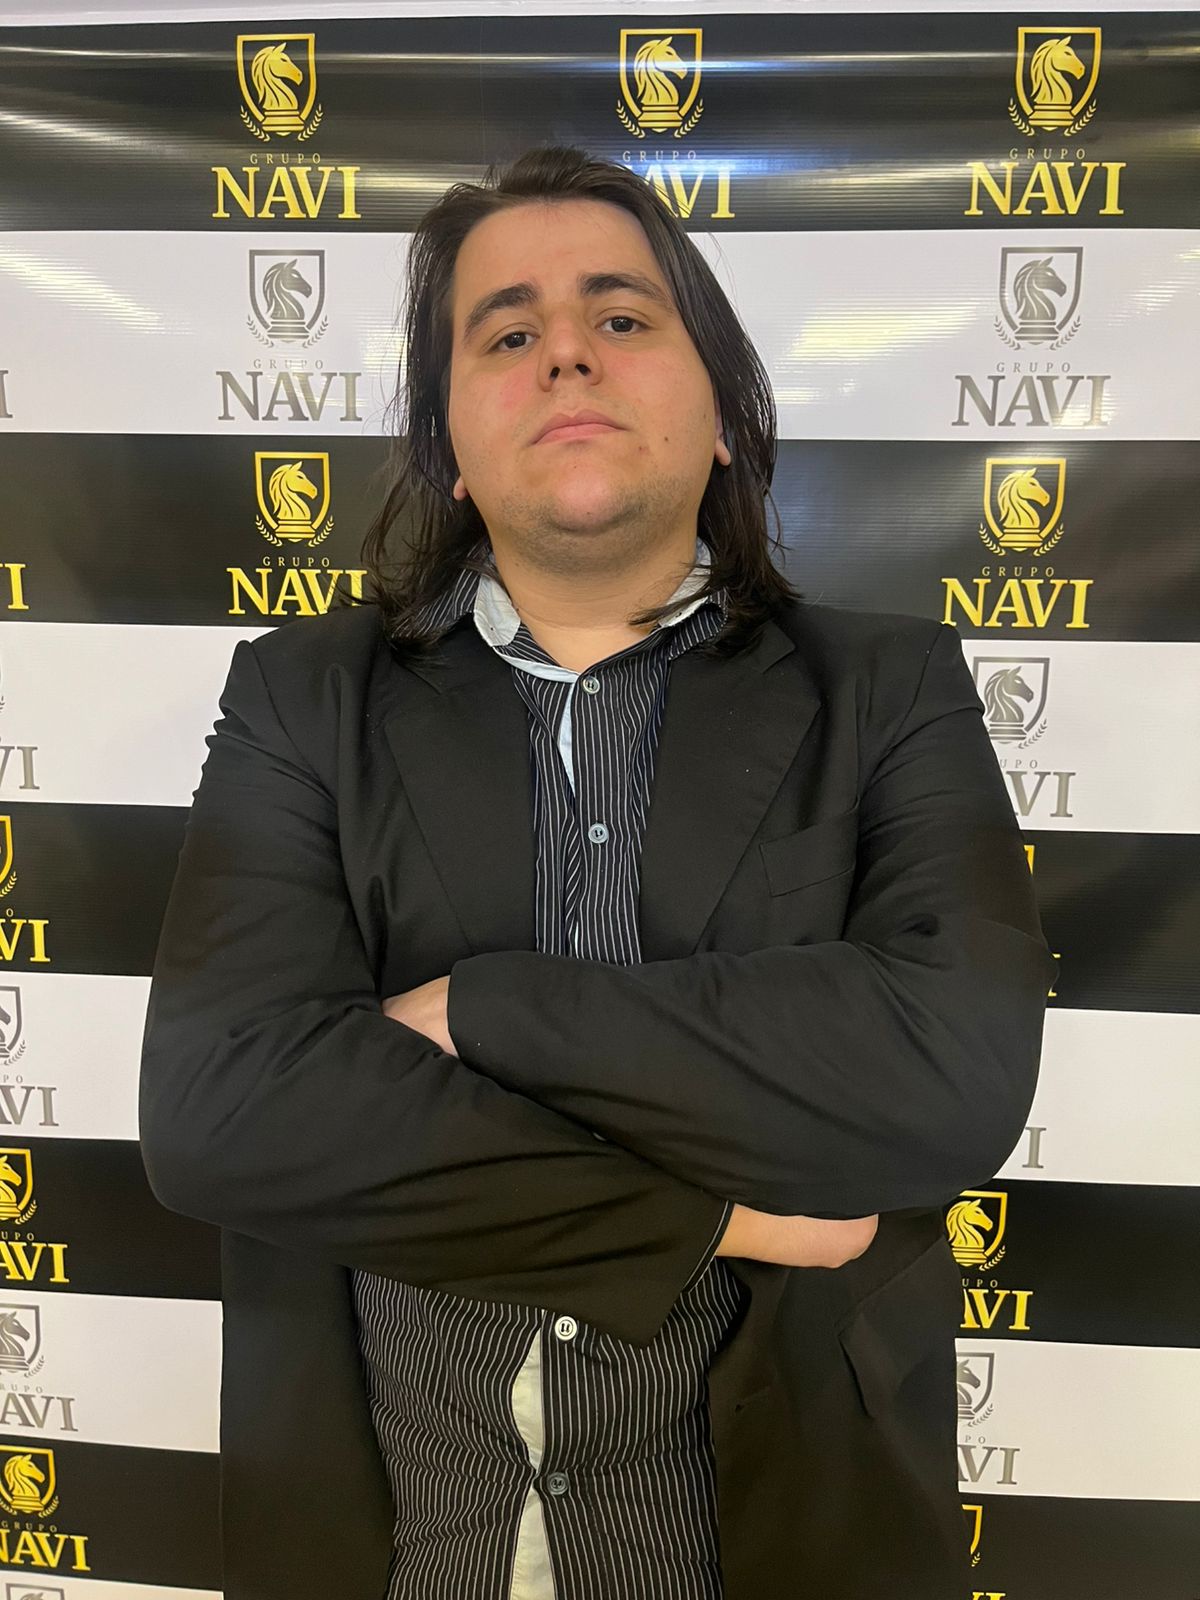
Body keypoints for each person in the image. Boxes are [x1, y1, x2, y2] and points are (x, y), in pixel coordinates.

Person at [138, 144, 1055, 1600]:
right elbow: (223, 1115)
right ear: (451, 445)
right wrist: (715, 1220)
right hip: (400, 1550)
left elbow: (950, 1078)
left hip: (783, 1541)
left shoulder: (889, 690)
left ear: (723, 419)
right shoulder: (301, 700)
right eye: (506, 335)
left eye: (622, 318)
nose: (566, 352)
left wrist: (483, 1013)